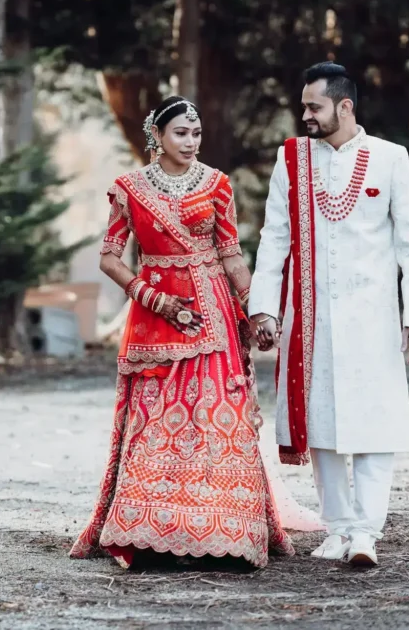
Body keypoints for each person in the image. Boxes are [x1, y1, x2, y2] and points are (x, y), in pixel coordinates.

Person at [69, 96, 295, 569]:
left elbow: (231, 254)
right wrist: (152, 297)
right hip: (156, 320)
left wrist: (257, 311)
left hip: (213, 315)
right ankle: (152, 536)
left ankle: (230, 534)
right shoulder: (128, 189)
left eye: (196, 134)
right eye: (180, 134)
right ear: (157, 136)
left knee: (219, 418)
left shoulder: (216, 185)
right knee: (156, 424)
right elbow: (109, 257)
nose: (191, 142)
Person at [248, 62, 409, 567]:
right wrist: (263, 306)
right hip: (311, 316)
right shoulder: (293, 160)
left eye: (314, 106)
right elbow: (274, 236)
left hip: (373, 315)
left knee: (375, 420)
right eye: (303, 105)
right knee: (320, 421)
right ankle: (338, 527)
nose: (304, 114)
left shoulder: (390, 159)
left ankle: (367, 531)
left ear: (344, 107)